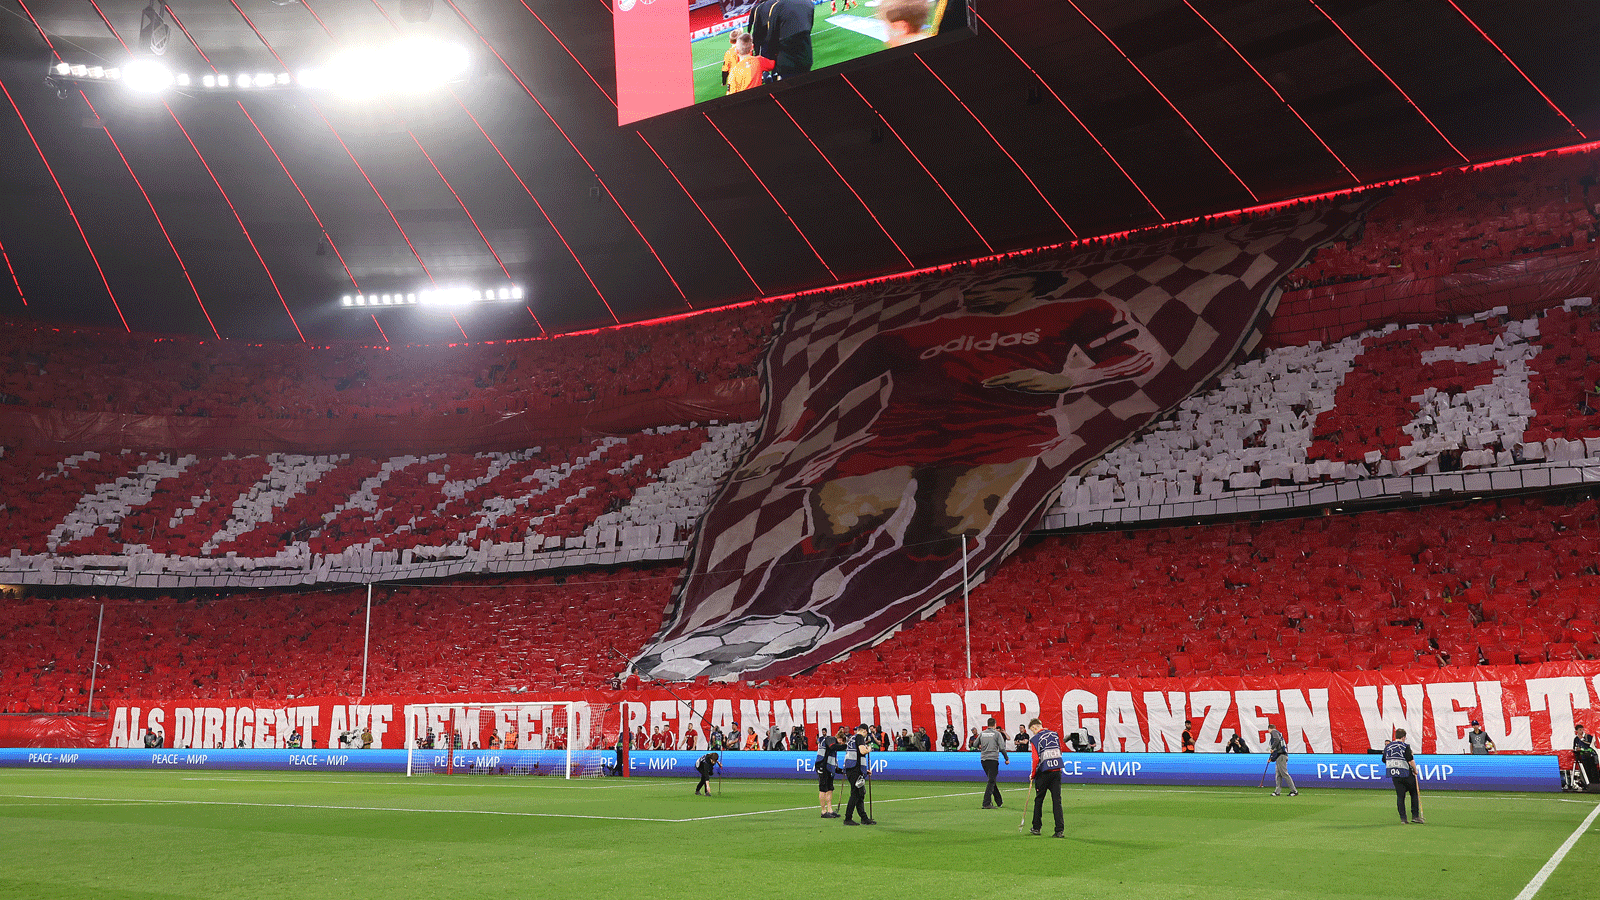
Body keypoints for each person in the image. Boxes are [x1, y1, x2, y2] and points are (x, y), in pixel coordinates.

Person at [1027, 718, 1065, 837]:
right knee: (1057, 801)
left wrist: (1032, 774)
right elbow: (1060, 751)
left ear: (1034, 727)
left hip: (1044, 773)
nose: (1032, 733)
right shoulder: (1054, 735)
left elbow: (1036, 759)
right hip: (1056, 771)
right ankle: (1059, 830)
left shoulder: (1035, 739)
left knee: (1039, 800)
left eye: (1032, 730)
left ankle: (1036, 827)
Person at [1384, 729, 1424, 824]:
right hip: (1406, 774)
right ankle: (1415, 816)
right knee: (1413, 793)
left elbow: (1384, 759)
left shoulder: (1387, 747)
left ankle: (1403, 819)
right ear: (1403, 737)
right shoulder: (1405, 746)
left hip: (1395, 775)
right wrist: (1415, 770)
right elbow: (1410, 761)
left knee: (1400, 796)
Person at [841, 723, 875, 825]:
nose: (866, 736)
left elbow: (857, 754)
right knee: (856, 793)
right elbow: (862, 751)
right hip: (855, 769)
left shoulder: (852, 738)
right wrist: (869, 749)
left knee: (860, 793)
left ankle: (864, 818)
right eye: (866, 733)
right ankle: (848, 818)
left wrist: (864, 770)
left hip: (853, 768)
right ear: (864, 730)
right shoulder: (859, 737)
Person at [977, 717, 1011, 809]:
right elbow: (1002, 747)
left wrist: (982, 747)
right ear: (995, 724)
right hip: (993, 759)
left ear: (988, 724)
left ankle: (999, 801)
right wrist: (1006, 758)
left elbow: (975, 744)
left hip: (983, 759)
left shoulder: (982, 733)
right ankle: (986, 803)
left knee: (992, 780)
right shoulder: (997, 734)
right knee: (991, 781)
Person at [1266, 722, 1297, 797]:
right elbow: (1278, 748)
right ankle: (1277, 791)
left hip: (1281, 756)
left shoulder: (1274, 732)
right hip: (1280, 756)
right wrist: (1272, 758)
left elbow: (1276, 742)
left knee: (1284, 774)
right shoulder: (1279, 733)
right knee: (1278, 774)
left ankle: (1294, 791)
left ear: (1269, 729)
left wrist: (1272, 748)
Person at [815, 729, 840, 818]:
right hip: (822, 765)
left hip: (828, 767)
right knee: (823, 789)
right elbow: (833, 747)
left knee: (830, 788)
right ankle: (823, 811)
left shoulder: (832, 742)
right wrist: (844, 746)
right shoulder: (830, 739)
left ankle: (830, 810)